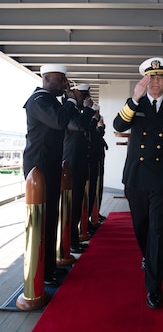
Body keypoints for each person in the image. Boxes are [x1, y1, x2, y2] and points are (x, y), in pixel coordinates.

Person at [113, 57, 163, 309]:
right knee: (140, 225)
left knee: (158, 230)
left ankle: (153, 287)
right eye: (151, 77)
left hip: (160, 178)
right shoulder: (135, 104)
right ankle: (147, 254)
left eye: (159, 77)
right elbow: (118, 124)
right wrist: (134, 98)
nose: (155, 82)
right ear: (145, 81)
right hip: (135, 176)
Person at [23, 64, 79, 285]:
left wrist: (72, 104)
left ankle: (48, 267)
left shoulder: (51, 101)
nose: (65, 84)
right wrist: (72, 101)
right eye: (61, 79)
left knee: (50, 219)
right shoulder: (38, 100)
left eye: (65, 80)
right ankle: (41, 273)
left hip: (50, 166)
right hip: (39, 168)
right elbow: (58, 121)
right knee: (42, 221)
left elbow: (70, 122)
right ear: (45, 78)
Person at [62, 83, 97, 253]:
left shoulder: (76, 112)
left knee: (76, 205)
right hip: (71, 164)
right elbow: (80, 126)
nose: (85, 98)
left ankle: (73, 241)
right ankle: (68, 243)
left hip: (80, 163)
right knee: (71, 206)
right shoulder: (68, 111)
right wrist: (89, 110)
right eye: (82, 95)